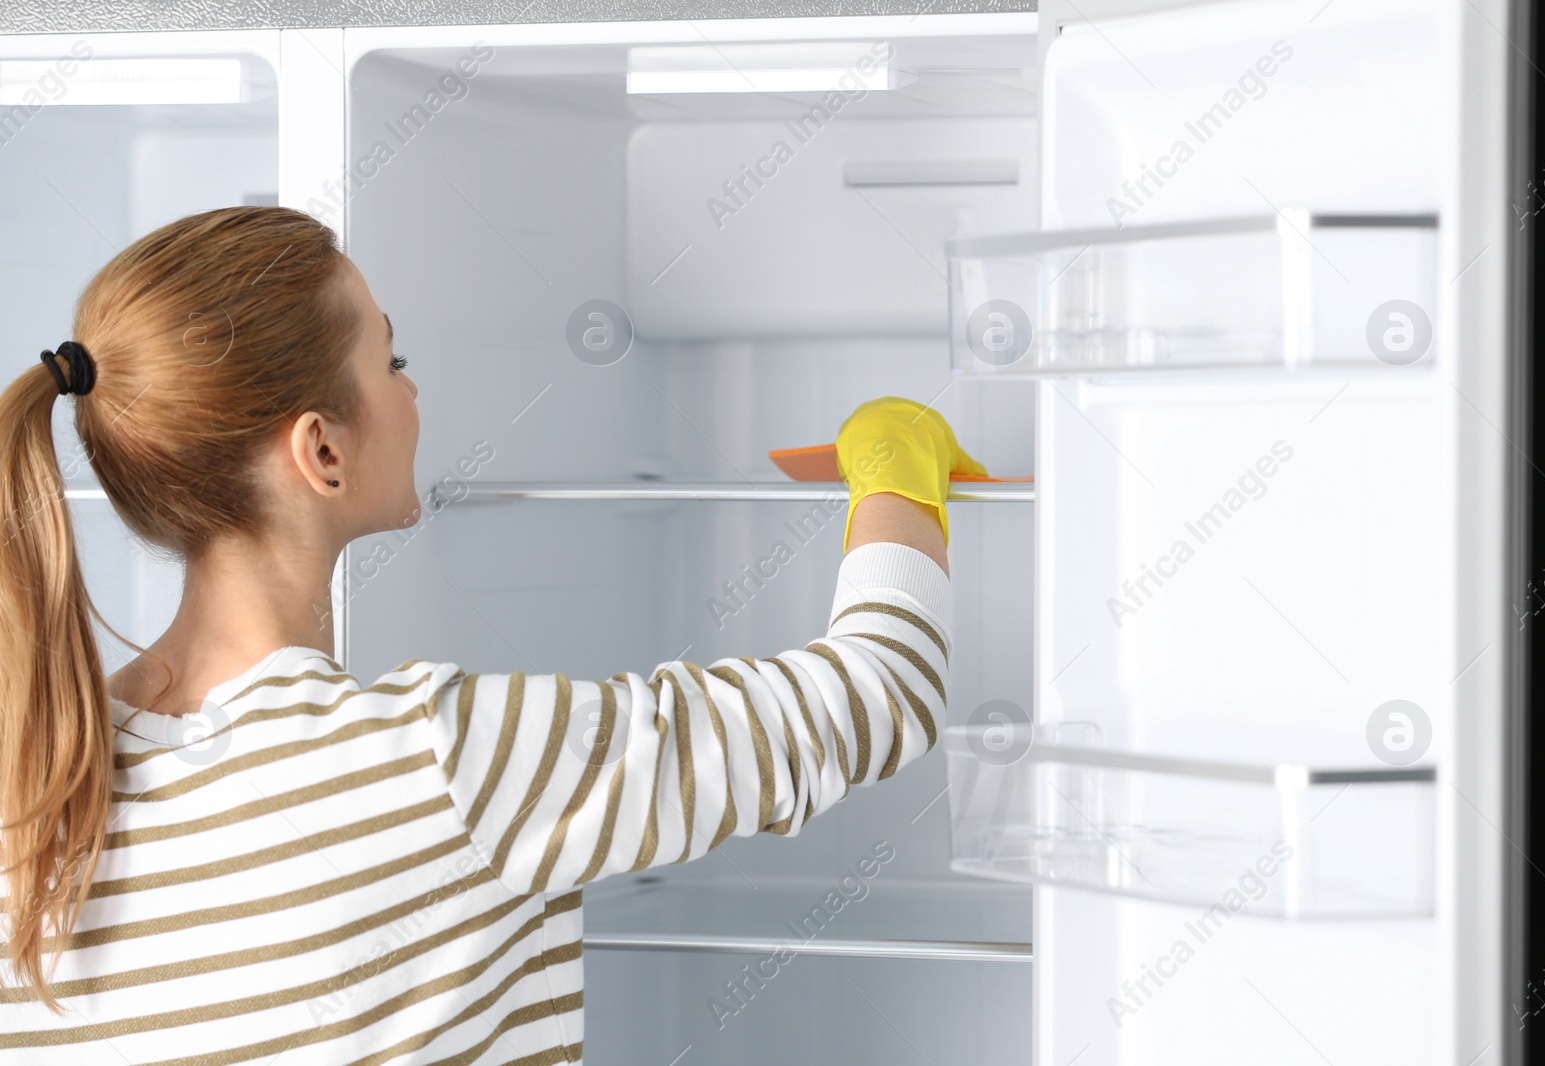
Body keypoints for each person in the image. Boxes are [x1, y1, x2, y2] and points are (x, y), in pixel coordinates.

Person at [0, 206, 987, 1062]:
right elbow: (876, 692)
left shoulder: (31, 786)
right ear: (324, 449)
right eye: (391, 359)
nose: (411, 391)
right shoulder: (438, 759)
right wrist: (893, 461)